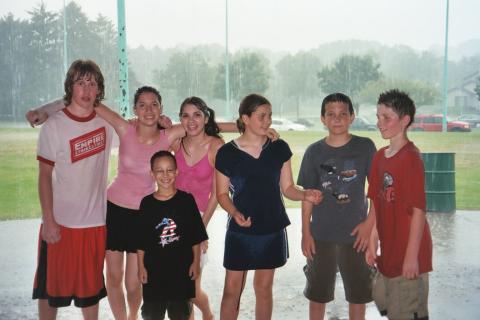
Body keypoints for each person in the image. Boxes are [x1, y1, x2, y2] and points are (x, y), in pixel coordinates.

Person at [215, 93, 323, 320]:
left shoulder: (279, 148)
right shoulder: (226, 153)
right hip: (240, 232)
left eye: (270, 116)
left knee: (263, 289)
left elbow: (288, 188)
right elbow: (222, 194)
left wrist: (305, 195)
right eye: (261, 116)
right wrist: (234, 213)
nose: (268, 121)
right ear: (245, 118)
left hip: (272, 229)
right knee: (231, 291)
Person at [32, 59, 113, 320]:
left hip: (94, 223)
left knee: (90, 292)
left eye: (92, 83)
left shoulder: (106, 124)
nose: (87, 90)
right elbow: (44, 177)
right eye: (80, 83)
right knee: (49, 291)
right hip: (61, 223)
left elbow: (139, 127)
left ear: (99, 89)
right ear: (70, 88)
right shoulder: (54, 125)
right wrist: (49, 220)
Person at [297, 93, 376, 320]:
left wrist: (369, 229)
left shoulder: (365, 147)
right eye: (331, 114)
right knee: (318, 295)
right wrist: (306, 232)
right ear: (322, 119)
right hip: (321, 235)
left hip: (356, 235)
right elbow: (307, 197)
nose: (337, 119)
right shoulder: (314, 152)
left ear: (352, 116)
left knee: (358, 296)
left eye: (343, 114)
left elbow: (377, 193)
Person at [365, 89, 433, 320]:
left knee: (405, 311)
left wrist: (412, 256)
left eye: (387, 117)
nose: (380, 123)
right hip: (389, 251)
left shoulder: (411, 158)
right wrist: (372, 240)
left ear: (404, 121)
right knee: (383, 299)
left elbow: (418, 211)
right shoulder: (379, 157)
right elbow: (376, 202)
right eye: (378, 116)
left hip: (409, 253)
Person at [137, 150, 208, 320]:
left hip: (181, 271)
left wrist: (196, 262)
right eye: (159, 171)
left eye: (169, 170)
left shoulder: (186, 200)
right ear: (152, 174)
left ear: (176, 172)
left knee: (180, 314)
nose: (165, 175)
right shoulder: (146, 204)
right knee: (152, 314)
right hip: (154, 273)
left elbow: (195, 236)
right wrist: (141, 266)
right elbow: (142, 241)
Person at [173, 96, 224, 320]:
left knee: (191, 288)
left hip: (199, 217)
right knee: (177, 286)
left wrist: (200, 230)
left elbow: (216, 194)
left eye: (196, 115)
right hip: (171, 219)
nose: (191, 120)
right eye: (185, 115)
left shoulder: (216, 146)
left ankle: (208, 314)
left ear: (205, 117)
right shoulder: (175, 143)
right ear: (180, 119)